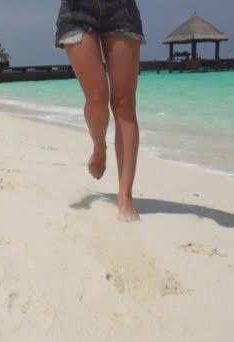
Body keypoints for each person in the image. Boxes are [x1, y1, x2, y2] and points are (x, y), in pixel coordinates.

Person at [56, 0, 145, 221]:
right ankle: (99, 146)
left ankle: (125, 197)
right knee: (97, 97)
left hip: (121, 9)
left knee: (124, 103)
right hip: (77, 10)